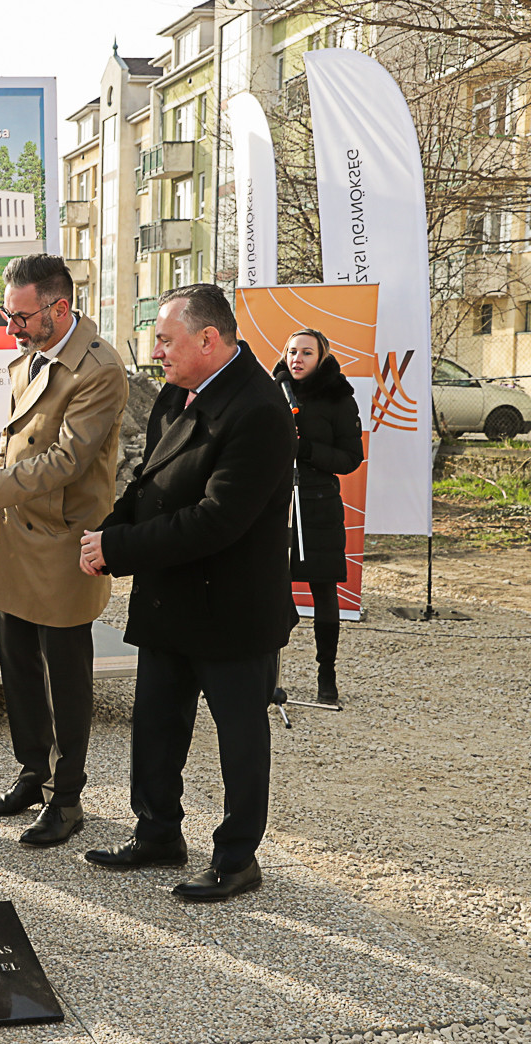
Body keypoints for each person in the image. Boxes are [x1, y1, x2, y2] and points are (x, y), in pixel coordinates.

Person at [81, 283, 296, 901]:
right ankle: (157, 833)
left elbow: (217, 520)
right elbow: (149, 485)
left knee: (240, 741)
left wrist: (119, 549)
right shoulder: (177, 394)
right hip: (169, 599)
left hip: (232, 610)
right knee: (155, 727)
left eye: (165, 340)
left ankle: (237, 858)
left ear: (208, 339)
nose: (156, 352)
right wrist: (110, 532)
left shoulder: (259, 410)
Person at [0, 254, 128, 847]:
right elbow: (13, 440)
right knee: (17, 667)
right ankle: (32, 775)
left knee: (65, 679)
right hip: (18, 532)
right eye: (6, 314)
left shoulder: (99, 369)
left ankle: (67, 798)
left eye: (20, 316)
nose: (10, 327)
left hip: (65, 541)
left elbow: (66, 461)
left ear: (58, 309)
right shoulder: (31, 358)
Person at [272, 328, 363, 705]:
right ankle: (267, 671)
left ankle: (327, 673)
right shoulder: (272, 392)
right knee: (271, 584)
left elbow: (350, 458)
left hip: (319, 504)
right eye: (292, 351)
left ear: (322, 357)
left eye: (306, 352)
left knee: (323, 589)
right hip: (276, 503)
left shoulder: (339, 397)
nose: (297, 359)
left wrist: (306, 449)